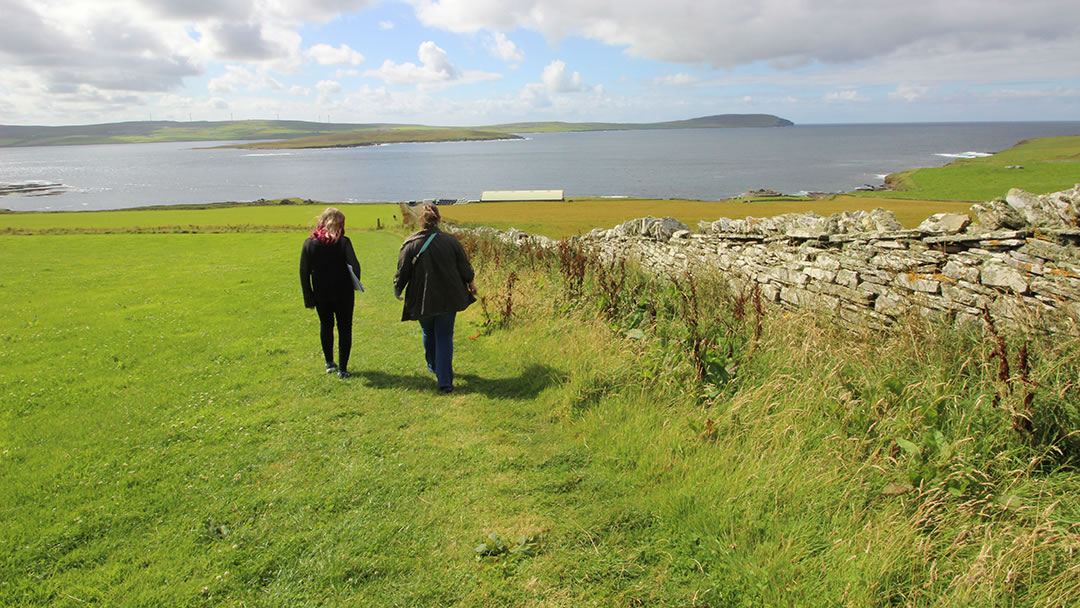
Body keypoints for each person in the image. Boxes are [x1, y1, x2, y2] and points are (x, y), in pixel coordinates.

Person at [394, 204, 477, 393]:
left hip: (423, 298)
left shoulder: (410, 243)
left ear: (420, 221)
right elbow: (464, 266)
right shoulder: (451, 241)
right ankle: (445, 381)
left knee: (428, 332)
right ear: (439, 220)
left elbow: (402, 270)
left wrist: (398, 289)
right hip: (449, 296)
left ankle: (433, 366)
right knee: (444, 335)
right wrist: (471, 283)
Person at [300, 207, 362, 379]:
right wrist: (355, 283)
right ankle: (343, 369)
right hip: (343, 293)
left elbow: (303, 272)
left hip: (321, 294)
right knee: (344, 328)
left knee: (326, 326)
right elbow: (355, 266)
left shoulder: (309, 243)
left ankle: (329, 363)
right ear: (340, 224)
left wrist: (308, 297)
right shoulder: (344, 243)